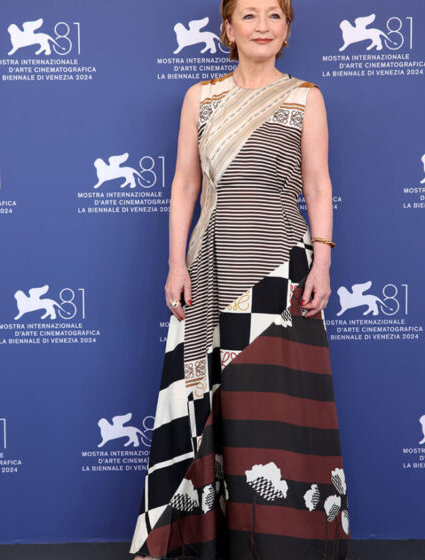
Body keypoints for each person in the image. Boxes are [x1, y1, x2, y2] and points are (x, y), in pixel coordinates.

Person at [130, 0, 351, 558]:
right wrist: (176, 263)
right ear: (227, 29)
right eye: (249, 15)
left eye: (274, 15)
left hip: (280, 275)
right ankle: (204, 543)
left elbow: (318, 185)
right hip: (210, 271)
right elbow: (183, 186)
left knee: (275, 410)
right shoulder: (200, 98)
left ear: (286, 30)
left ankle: (287, 544)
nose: (262, 26)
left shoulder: (306, 97)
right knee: (208, 408)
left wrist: (321, 262)